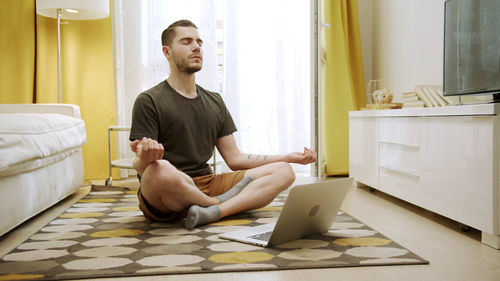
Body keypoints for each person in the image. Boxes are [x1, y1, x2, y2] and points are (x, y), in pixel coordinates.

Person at [129, 19, 316, 229]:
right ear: (167, 51)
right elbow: (140, 166)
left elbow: (235, 159)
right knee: (160, 169)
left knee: (283, 171)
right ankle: (216, 204)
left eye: (199, 42)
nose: (196, 46)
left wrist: (288, 157)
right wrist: (145, 157)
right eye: (186, 41)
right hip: (167, 191)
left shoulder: (214, 101)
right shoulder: (149, 100)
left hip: (208, 183)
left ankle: (214, 212)